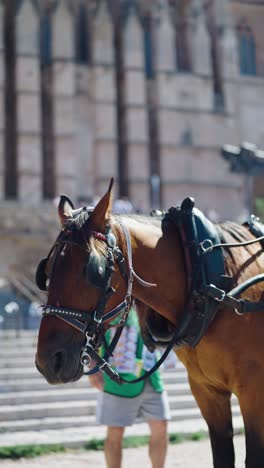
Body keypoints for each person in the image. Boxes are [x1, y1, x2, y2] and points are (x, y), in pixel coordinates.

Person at [88, 307, 172, 468]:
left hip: (151, 375)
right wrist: (92, 367)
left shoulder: (147, 298)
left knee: (161, 425)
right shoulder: (109, 298)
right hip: (118, 380)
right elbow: (89, 333)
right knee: (116, 431)